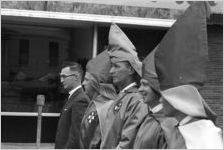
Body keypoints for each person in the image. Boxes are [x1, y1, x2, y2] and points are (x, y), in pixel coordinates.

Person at [154, 2, 223, 149]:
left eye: (165, 94)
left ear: (177, 99)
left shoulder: (204, 138)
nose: (160, 99)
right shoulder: (182, 128)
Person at [100, 23, 148, 149]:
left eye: (116, 66)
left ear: (131, 69)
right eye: (111, 66)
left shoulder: (136, 100)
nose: (111, 71)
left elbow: (127, 143)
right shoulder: (121, 96)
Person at [133, 47, 177, 149]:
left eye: (145, 84)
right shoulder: (147, 117)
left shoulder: (168, 125)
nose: (140, 89)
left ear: (156, 86)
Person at [80, 50, 117, 148]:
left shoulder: (105, 108)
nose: (83, 83)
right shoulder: (97, 104)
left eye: (87, 80)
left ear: (96, 84)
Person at [55, 62, 90, 149]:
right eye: (60, 76)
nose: (61, 80)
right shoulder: (73, 97)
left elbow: (76, 134)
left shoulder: (80, 100)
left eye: (64, 76)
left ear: (76, 77)